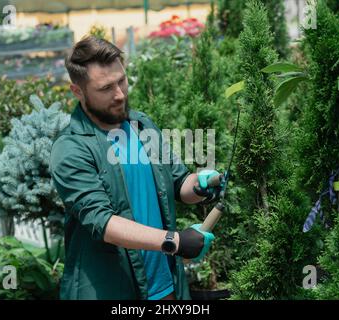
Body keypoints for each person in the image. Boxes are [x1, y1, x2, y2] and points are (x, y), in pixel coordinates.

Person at [50, 36, 221, 300]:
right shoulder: (71, 148)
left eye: (122, 80)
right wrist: (175, 242)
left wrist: (202, 184)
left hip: (165, 285)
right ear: (78, 91)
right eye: (106, 88)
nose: (120, 94)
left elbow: (179, 182)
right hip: (112, 289)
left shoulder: (141, 125)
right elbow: (103, 223)